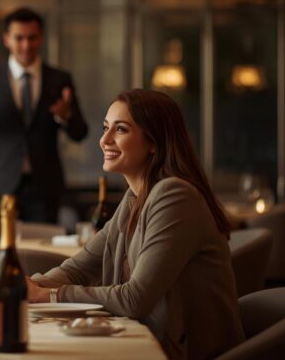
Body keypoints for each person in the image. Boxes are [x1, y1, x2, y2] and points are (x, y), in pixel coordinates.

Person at [27, 89, 244, 359]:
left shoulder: (175, 196)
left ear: (154, 141)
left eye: (121, 130)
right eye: (106, 128)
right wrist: (25, 288)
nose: (105, 140)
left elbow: (135, 299)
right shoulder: (135, 197)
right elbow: (78, 269)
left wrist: (47, 296)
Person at [0, 7, 87, 224]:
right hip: (0, 186)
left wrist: (65, 116)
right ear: (7, 39)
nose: (26, 45)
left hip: (45, 187)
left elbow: (80, 133)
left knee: (42, 253)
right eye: (19, 38)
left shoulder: (59, 80)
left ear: (41, 38)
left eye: (32, 38)